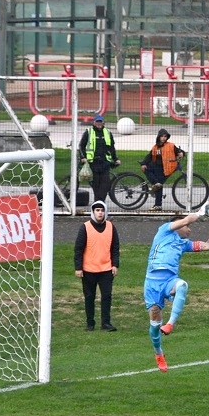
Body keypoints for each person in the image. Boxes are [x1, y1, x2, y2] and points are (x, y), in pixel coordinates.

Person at [144, 203, 209, 372]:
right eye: (187, 226)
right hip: (152, 284)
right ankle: (159, 354)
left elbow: (207, 246)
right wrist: (203, 211)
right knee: (153, 326)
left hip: (169, 281)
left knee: (182, 285)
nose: (190, 229)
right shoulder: (164, 230)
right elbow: (188, 219)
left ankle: (170, 324)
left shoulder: (183, 244)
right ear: (179, 225)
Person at [73, 200, 120, 332]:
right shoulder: (85, 227)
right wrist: (78, 267)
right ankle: (90, 323)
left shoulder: (111, 227)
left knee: (106, 296)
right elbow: (78, 249)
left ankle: (106, 323)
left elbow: (115, 248)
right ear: (93, 212)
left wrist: (115, 264)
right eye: (97, 210)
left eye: (102, 210)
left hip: (106, 269)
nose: (100, 213)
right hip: (89, 270)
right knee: (89, 297)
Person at [78, 114, 121, 203]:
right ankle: (98, 203)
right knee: (96, 185)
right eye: (97, 122)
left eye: (100, 122)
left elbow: (112, 147)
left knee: (105, 185)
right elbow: (81, 146)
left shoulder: (108, 132)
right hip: (93, 163)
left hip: (105, 163)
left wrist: (116, 158)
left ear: (103, 122)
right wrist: (83, 157)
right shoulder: (88, 132)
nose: (99, 123)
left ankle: (100, 203)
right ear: (94, 122)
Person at [140, 128, 184, 211]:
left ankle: (158, 204)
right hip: (155, 166)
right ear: (159, 137)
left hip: (165, 168)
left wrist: (182, 153)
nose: (164, 138)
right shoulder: (155, 147)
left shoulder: (170, 146)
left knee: (159, 185)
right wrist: (143, 164)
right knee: (148, 171)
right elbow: (149, 156)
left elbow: (179, 151)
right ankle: (156, 185)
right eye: (162, 136)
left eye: (165, 136)